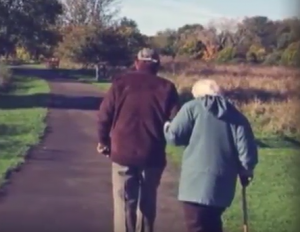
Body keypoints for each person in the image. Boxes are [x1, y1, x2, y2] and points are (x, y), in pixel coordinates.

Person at [97, 48, 180, 232]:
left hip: (122, 153)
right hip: (153, 154)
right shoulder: (167, 87)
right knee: (148, 203)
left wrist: (103, 141)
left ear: (137, 63)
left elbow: (104, 116)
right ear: (157, 65)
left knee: (124, 203)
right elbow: (175, 123)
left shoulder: (120, 83)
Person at [164, 79, 258, 232]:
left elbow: (174, 137)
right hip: (223, 185)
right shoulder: (236, 115)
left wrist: (167, 125)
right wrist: (246, 171)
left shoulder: (191, 108)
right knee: (212, 223)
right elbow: (247, 155)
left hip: (194, 184)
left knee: (196, 225)